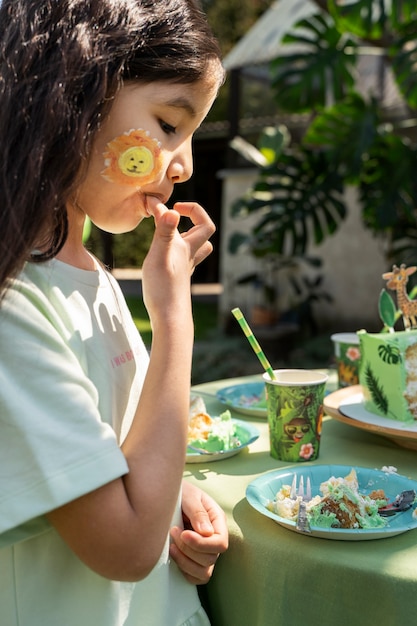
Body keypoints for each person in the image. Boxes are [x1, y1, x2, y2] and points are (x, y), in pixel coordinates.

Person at [0, 1, 228, 624]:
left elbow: (111, 453)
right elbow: (125, 546)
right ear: (75, 93)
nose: (183, 165)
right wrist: (174, 313)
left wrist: (172, 498)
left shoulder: (93, 277)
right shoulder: (13, 306)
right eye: (168, 123)